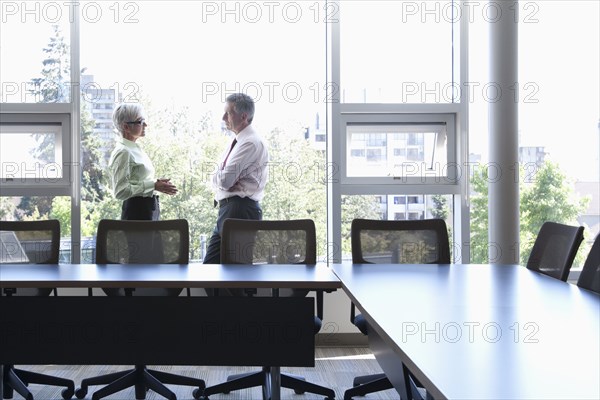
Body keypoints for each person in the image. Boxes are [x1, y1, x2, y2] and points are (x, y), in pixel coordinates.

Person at [203, 93, 269, 264]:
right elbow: (219, 178)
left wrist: (222, 179)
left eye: (228, 113)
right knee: (211, 270)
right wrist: (222, 178)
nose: (223, 117)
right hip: (230, 210)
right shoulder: (238, 141)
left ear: (244, 116)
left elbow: (224, 181)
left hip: (240, 210)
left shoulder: (249, 142)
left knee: (235, 274)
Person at [108, 103, 177, 220]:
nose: (145, 124)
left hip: (147, 209)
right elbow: (120, 191)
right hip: (137, 213)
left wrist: (157, 183)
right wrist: (153, 185)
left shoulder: (135, 149)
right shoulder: (123, 152)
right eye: (140, 121)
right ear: (126, 127)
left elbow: (136, 181)